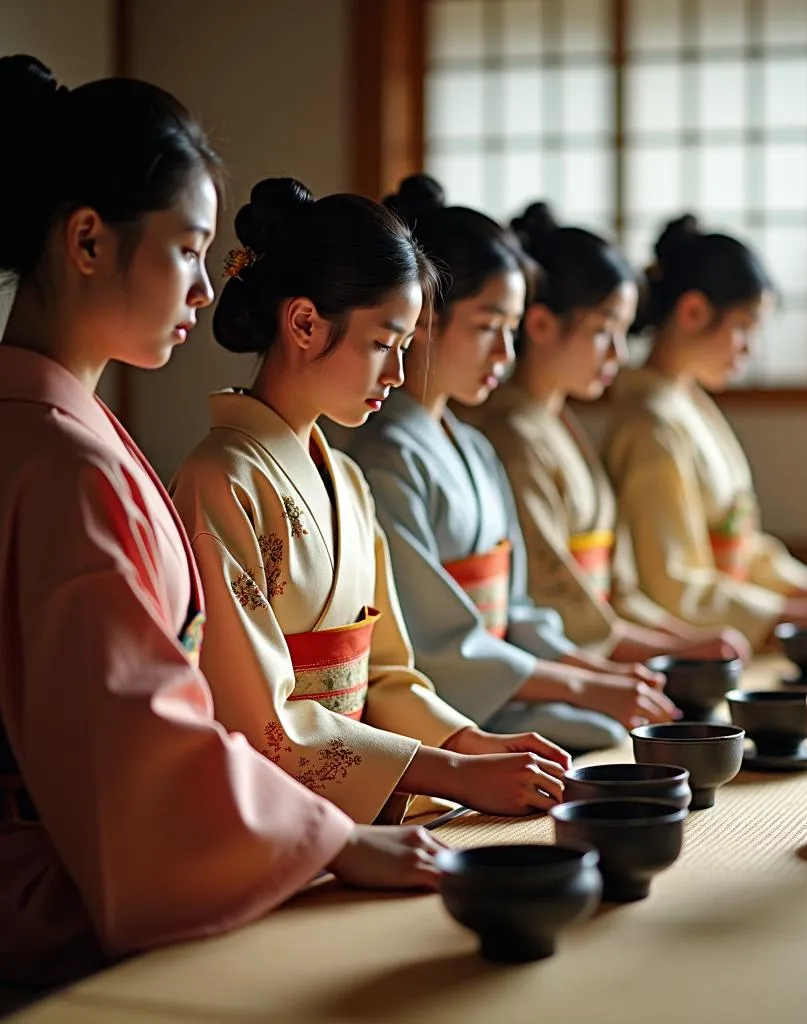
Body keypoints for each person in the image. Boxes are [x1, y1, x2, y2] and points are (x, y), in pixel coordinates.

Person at [0, 57, 439, 988]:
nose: (206, 290)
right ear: (87, 240)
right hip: (58, 886)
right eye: (187, 247)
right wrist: (327, 843)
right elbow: (139, 743)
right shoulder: (70, 463)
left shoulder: (52, 435)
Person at [171, 179, 569, 825]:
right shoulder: (219, 479)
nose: (398, 375)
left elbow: (383, 674)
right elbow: (262, 722)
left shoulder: (349, 481)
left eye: (406, 348)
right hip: (275, 812)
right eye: (383, 344)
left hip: (366, 798)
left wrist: (474, 745)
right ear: (304, 322)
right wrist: (460, 776)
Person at [347, 175, 678, 755]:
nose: (504, 355)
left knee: (608, 726)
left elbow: (518, 609)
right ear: (423, 320)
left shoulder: (472, 446)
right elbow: (441, 643)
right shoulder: (386, 456)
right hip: (447, 698)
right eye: (486, 328)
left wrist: (596, 678)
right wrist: (582, 685)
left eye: (510, 331)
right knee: (600, 732)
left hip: (498, 676)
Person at [458, 202, 750, 665]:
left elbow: (619, 588)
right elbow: (557, 597)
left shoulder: (557, 424)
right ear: (540, 325)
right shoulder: (512, 436)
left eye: (621, 332)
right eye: (602, 331)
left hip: (601, 644)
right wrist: (677, 647)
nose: (617, 352)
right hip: (561, 656)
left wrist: (681, 639)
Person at [597, 214, 807, 648]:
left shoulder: (685, 403)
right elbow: (670, 583)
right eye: (743, 327)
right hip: (697, 639)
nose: (749, 349)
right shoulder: (649, 424)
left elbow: (740, 541)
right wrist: (776, 616)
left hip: (730, 617)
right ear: (693, 312)